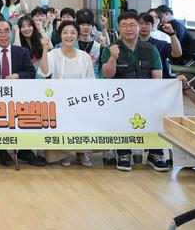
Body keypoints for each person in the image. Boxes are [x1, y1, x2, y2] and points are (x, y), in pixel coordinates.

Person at [101, 11, 168, 172]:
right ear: (119, 28)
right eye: (124, 25)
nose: (128, 29)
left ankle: (155, 153)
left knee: (157, 111)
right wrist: (113, 58)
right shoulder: (110, 49)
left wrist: (148, 95)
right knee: (120, 114)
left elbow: (157, 77)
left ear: (138, 27)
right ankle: (124, 153)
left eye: (132, 25)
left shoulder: (150, 49)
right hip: (120, 99)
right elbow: (108, 75)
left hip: (146, 97)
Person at [0, 19, 44, 167]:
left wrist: (18, 76)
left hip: (18, 96)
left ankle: (25, 150)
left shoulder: (22, 52)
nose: (3, 35)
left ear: (11, 33)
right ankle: (2, 150)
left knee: (28, 112)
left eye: (6, 31)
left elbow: (31, 73)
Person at [38, 20, 95, 167]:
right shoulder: (53, 54)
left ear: (77, 35)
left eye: (73, 33)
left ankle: (82, 153)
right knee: (61, 126)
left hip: (80, 100)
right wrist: (44, 50)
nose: (69, 36)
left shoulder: (84, 56)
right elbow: (44, 72)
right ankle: (64, 154)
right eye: (65, 32)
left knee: (82, 124)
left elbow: (90, 80)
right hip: (59, 99)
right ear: (60, 35)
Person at [139, 12, 181, 79]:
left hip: (160, 81)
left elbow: (177, 54)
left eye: (147, 24)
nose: (144, 26)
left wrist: (172, 33)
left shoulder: (161, 44)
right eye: (141, 23)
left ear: (152, 26)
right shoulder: (131, 44)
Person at [74, 12, 103, 78]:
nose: (86, 27)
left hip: (94, 81)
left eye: (88, 24)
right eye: (82, 24)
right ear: (77, 26)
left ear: (92, 26)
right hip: (76, 80)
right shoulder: (72, 46)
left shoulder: (99, 47)